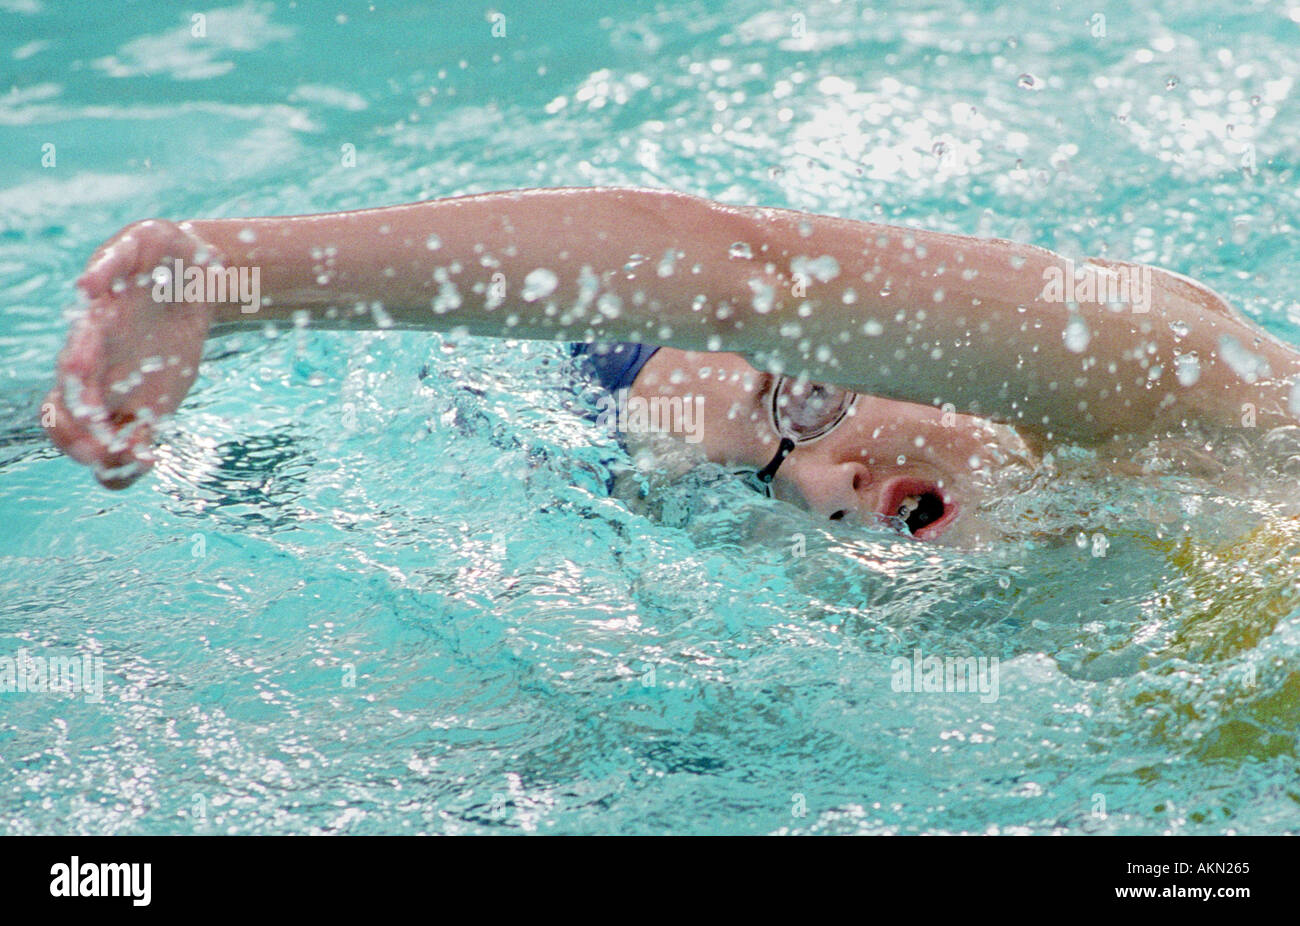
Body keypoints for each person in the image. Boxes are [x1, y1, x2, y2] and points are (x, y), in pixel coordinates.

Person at [42, 187, 1300, 543]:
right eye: (760, 482)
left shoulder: (1177, 377)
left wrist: (223, 280)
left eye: (799, 395)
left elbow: (746, 270)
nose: (823, 486)